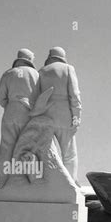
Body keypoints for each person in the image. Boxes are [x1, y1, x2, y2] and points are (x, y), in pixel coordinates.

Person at [0, 48, 39, 188]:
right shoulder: (37, 75)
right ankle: (30, 182)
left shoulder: (8, 74)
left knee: (7, 147)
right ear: (30, 60)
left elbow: (1, 98)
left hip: (11, 111)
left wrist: (11, 105)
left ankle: (3, 182)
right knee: (29, 148)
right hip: (29, 113)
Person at [38, 47, 82, 182]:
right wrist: (76, 116)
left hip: (46, 116)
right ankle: (70, 183)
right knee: (69, 154)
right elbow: (75, 95)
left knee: (48, 152)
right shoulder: (68, 69)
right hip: (65, 117)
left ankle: (51, 182)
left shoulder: (41, 72)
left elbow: (37, 97)